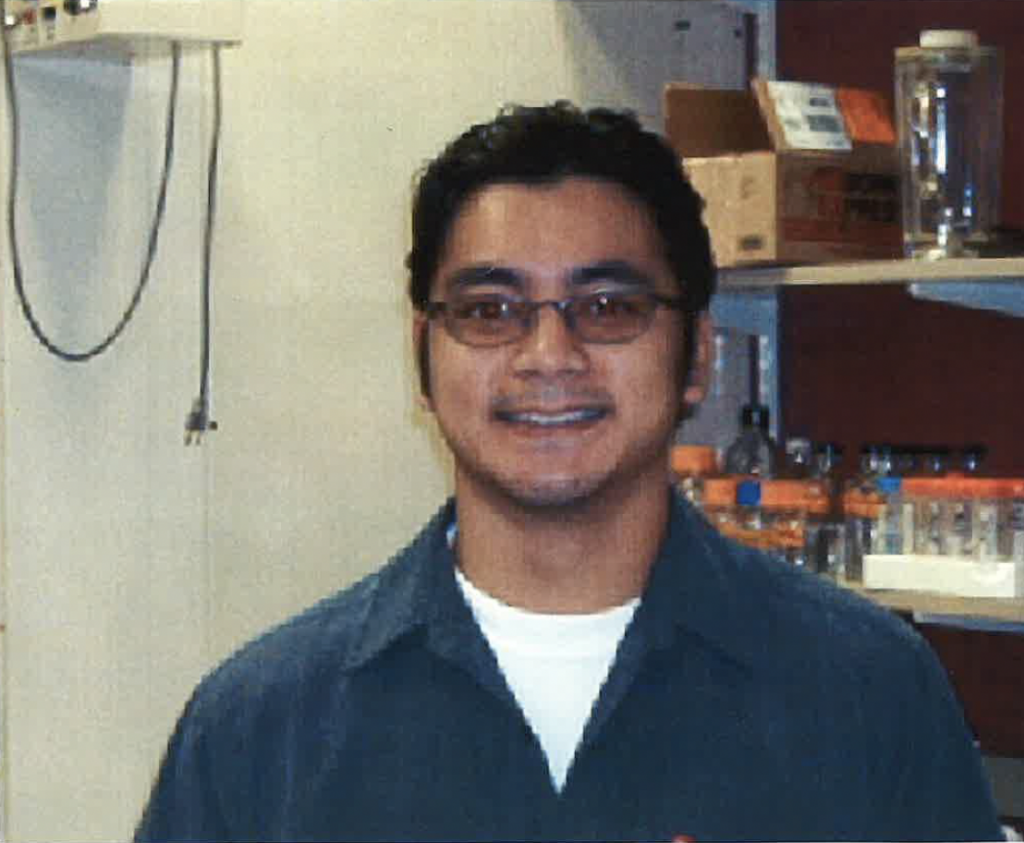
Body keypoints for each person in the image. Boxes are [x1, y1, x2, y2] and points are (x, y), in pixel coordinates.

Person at [135, 102, 1003, 843]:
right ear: (424, 356)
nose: (548, 354)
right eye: (489, 310)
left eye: (608, 306)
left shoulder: (868, 694)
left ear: (697, 355)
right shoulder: (260, 733)